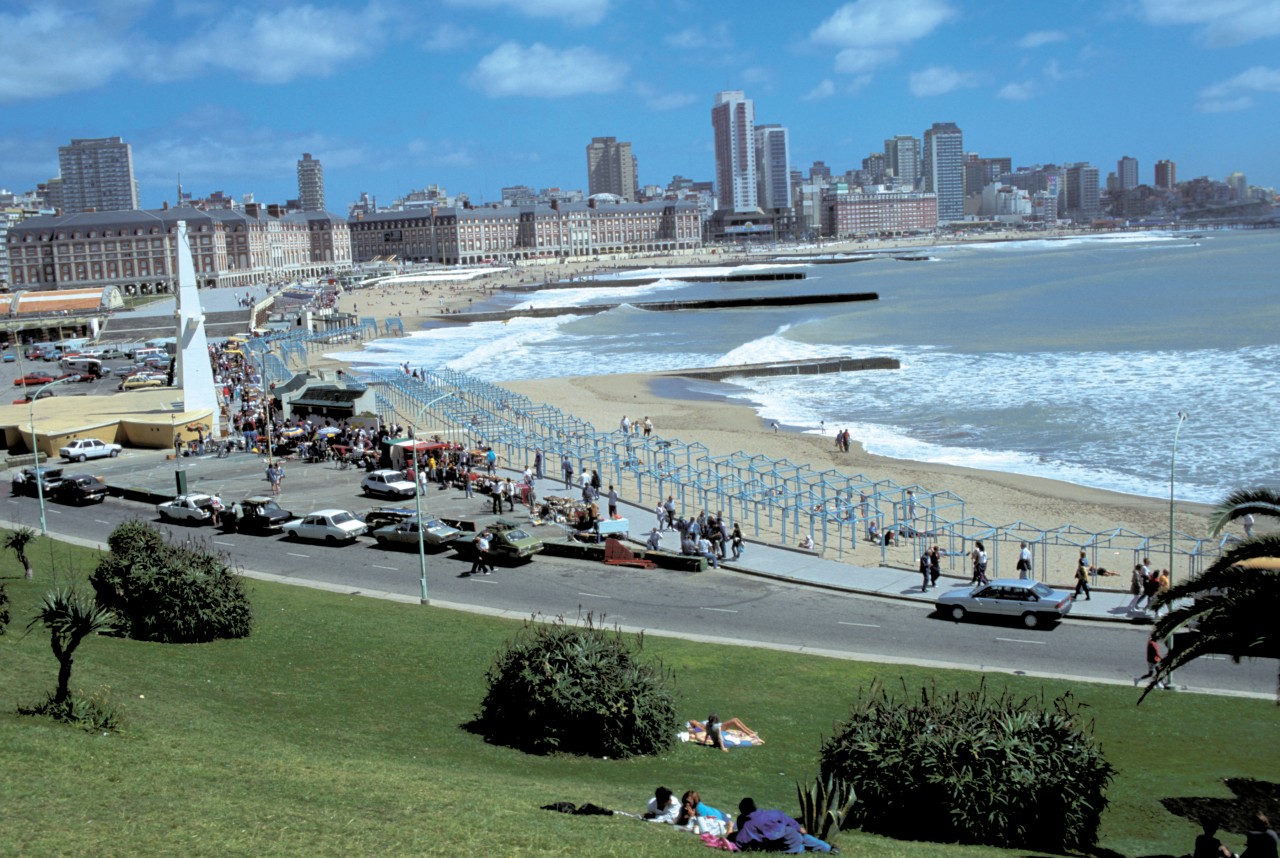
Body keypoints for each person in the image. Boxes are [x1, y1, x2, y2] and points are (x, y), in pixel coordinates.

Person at [732, 798, 834, 853]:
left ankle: (803, 849)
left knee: (799, 849)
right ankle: (829, 849)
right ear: (755, 806)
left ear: (743, 812)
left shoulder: (748, 826)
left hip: (785, 844)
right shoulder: (773, 813)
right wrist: (799, 829)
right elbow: (798, 827)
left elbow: (739, 844)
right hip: (793, 834)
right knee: (804, 838)